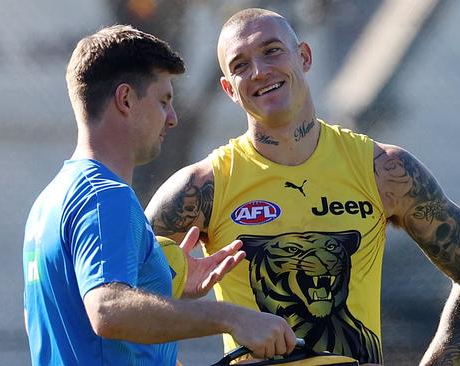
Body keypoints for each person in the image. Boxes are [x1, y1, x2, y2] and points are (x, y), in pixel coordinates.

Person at [145, 8, 460, 365]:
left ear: (304, 56)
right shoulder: (202, 187)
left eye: (272, 51)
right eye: (240, 65)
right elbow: (115, 301)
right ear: (229, 89)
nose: (259, 71)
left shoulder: (383, 170)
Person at [22, 24, 296, 366]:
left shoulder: (49, 200)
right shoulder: (105, 196)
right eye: (164, 101)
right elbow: (107, 310)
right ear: (125, 100)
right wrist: (231, 317)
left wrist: (162, 283)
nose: (172, 118)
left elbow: (49, 320)